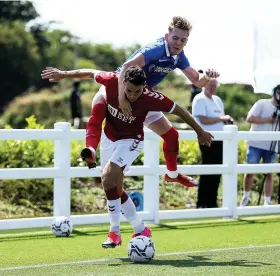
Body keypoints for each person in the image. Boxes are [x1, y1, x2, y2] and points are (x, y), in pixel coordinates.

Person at [41, 66, 213, 248]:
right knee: (111, 185)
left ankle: (114, 231)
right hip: (109, 138)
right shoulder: (110, 81)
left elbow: (179, 110)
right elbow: (91, 73)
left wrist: (200, 131)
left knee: (108, 177)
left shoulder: (150, 97)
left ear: (144, 87)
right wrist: (63, 74)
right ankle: (140, 228)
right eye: (129, 91)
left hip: (132, 141)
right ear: (122, 83)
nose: (132, 95)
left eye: (137, 91)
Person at [90, 16, 220, 189]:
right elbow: (127, 65)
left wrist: (208, 77)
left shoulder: (179, 57)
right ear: (167, 37)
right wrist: (121, 98)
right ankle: (90, 151)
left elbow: (197, 80)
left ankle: (172, 175)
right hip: (119, 89)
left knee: (172, 135)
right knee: (98, 109)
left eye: (183, 40)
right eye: (175, 38)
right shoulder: (156, 50)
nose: (178, 43)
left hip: (142, 98)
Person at [192, 79, 234, 208]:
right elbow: (203, 119)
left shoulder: (217, 100)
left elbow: (217, 119)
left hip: (219, 140)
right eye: (210, 85)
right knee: (208, 169)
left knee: (217, 171)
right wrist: (222, 118)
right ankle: (202, 202)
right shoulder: (199, 99)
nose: (212, 88)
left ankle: (212, 202)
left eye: (214, 86)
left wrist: (226, 121)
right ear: (205, 85)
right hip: (206, 139)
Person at [240, 86, 280, 207]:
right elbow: (250, 118)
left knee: (269, 173)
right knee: (250, 171)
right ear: (275, 92)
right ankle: (246, 197)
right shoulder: (262, 103)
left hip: (272, 146)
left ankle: (267, 201)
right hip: (255, 144)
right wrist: (268, 120)